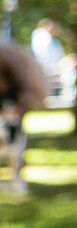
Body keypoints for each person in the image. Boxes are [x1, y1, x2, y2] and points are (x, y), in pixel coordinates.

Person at [1, 42, 50, 194]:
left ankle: (17, 180)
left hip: (13, 105)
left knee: (16, 146)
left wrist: (17, 109)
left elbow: (28, 89)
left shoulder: (13, 62)